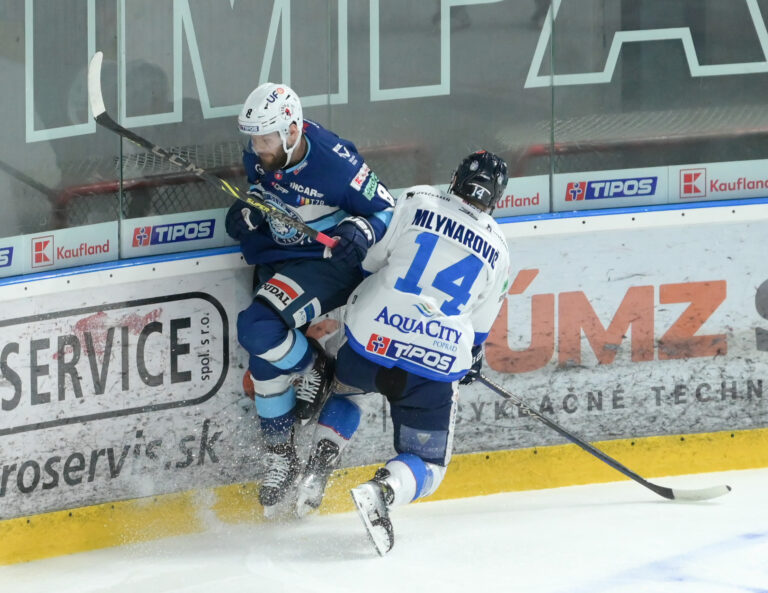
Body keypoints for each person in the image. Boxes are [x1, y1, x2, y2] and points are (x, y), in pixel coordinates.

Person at [295, 150, 511, 555]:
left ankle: (316, 470)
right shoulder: (499, 248)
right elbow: (479, 330)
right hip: (432, 369)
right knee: (426, 462)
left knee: (347, 392)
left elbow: (373, 260)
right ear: (496, 197)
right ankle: (384, 491)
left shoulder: (417, 199)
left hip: (370, 344)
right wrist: (470, 356)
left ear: (456, 178)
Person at [225, 83, 395, 513]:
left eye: (265, 138)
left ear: (292, 131)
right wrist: (249, 210)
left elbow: (387, 208)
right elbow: (265, 192)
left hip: (322, 264)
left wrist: (360, 230)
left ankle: (314, 366)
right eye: (255, 137)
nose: (257, 147)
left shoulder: (335, 163)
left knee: (259, 327)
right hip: (281, 258)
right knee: (265, 356)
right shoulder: (263, 153)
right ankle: (280, 455)